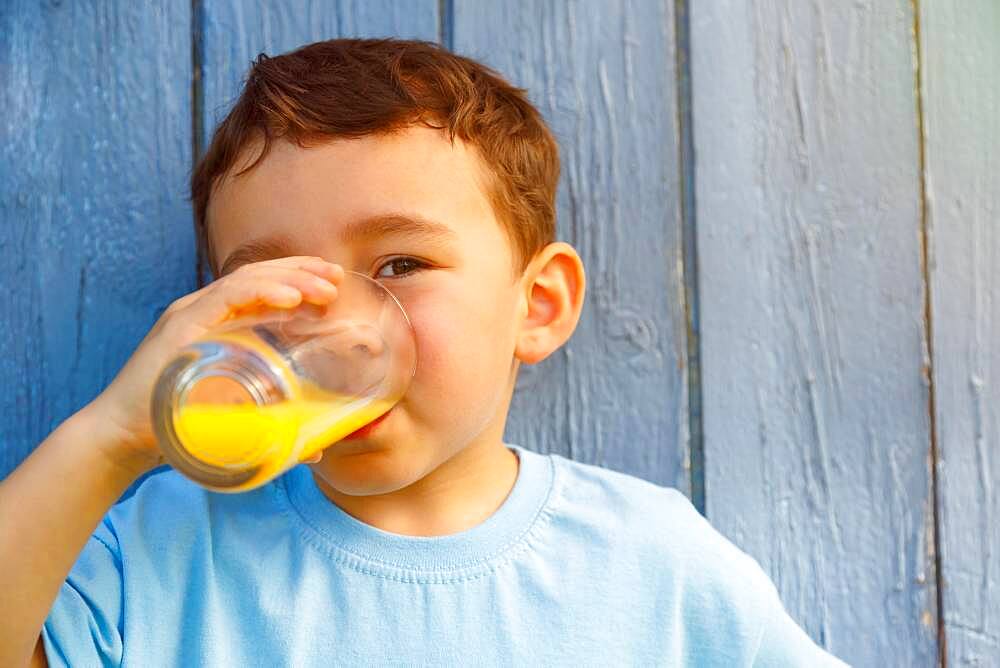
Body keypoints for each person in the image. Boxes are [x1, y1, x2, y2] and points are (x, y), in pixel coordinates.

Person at [1, 38, 848, 667]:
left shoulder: (652, 562)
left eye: (400, 265)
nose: (335, 326)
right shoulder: (164, 551)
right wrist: (113, 435)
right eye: (274, 287)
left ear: (538, 305)